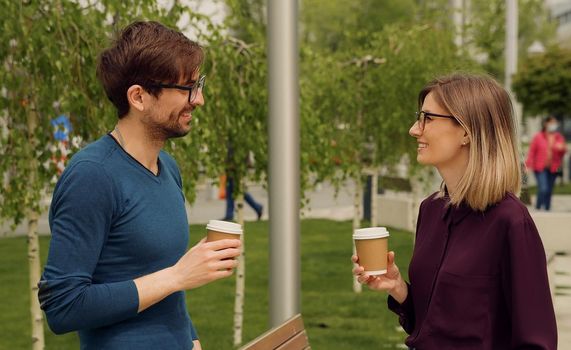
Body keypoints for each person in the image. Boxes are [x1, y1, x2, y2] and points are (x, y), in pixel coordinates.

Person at [38, 21, 241, 350]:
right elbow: (63, 307)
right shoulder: (92, 176)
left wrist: (191, 338)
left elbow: (161, 282)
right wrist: (178, 275)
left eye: (198, 84)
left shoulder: (168, 168)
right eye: (187, 87)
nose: (199, 99)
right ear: (139, 97)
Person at [352, 73, 557, 349]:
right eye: (418, 117)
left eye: (428, 118)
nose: (414, 129)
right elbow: (432, 326)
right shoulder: (431, 211)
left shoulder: (510, 221)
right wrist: (398, 288)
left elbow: (536, 342)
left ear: (467, 132)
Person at [526, 116, 567, 211]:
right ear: (546, 124)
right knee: (543, 188)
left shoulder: (558, 137)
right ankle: (539, 207)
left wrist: (561, 148)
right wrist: (527, 165)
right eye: (552, 122)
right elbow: (532, 151)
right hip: (540, 167)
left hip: (554, 167)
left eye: (555, 123)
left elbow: (563, 151)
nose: (554, 125)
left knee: (549, 189)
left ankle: (547, 208)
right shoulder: (538, 137)